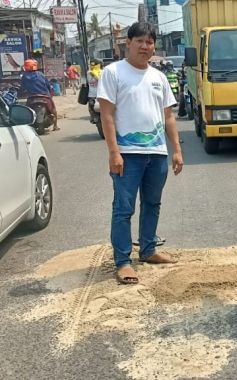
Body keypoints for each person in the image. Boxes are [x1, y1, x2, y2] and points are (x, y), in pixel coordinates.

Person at [97, 22, 184, 285]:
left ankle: (148, 250)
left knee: (153, 204)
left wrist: (176, 150)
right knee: (123, 209)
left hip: (156, 153)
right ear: (128, 43)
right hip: (127, 153)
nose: (145, 47)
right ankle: (123, 261)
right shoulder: (113, 73)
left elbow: (168, 117)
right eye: (140, 42)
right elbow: (107, 115)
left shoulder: (158, 77)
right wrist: (114, 152)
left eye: (150, 42)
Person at [21, 59, 59, 131]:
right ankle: (55, 126)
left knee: (27, 111)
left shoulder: (24, 76)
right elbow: (48, 85)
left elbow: (22, 87)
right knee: (54, 110)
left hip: (32, 97)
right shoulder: (40, 74)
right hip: (45, 96)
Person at [87, 59, 102, 123]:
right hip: (102, 95)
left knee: (91, 108)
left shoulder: (88, 72)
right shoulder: (103, 72)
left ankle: (92, 117)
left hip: (92, 95)